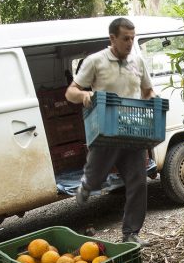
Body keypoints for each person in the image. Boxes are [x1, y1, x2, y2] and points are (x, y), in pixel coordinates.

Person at [65, 17, 155, 246]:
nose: (130, 43)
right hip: (105, 131)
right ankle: (86, 185)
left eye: (133, 39)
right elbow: (70, 92)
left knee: (138, 182)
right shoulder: (95, 61)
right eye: (125, 39)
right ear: (112, 38)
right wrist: (84, 95)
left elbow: (147, 91)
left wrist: (153, 100)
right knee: (97, 178)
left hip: (133, 131)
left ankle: (130, 234)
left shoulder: (138, 62)